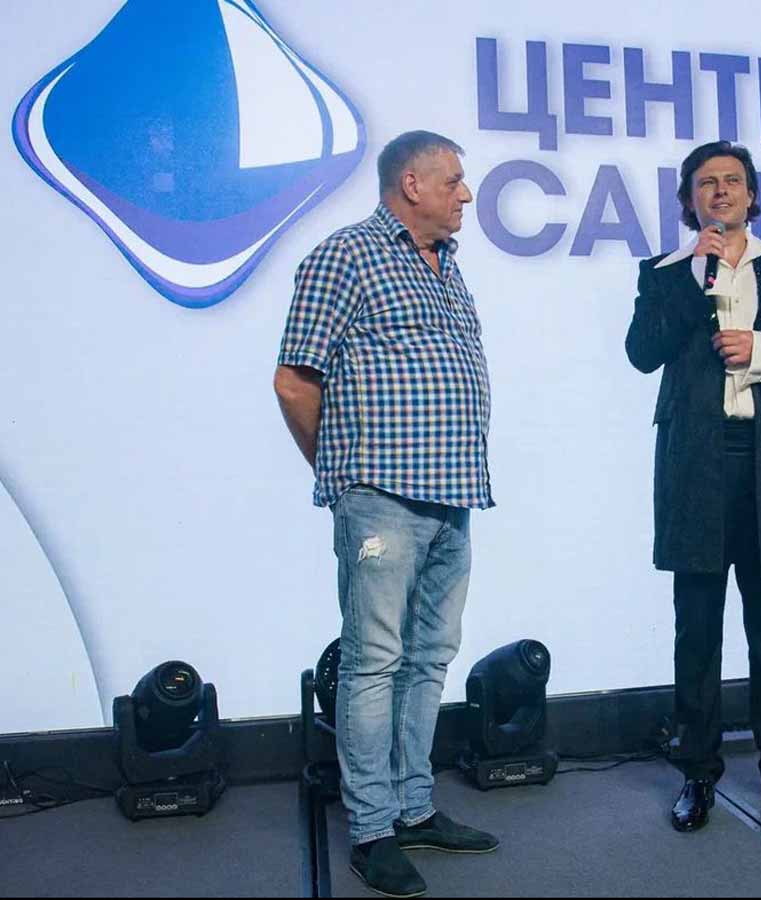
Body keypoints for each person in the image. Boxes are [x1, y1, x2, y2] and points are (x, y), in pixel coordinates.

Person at [274, 131, 497, 898]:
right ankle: (371, 830)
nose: (466, 194)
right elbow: (295, 381)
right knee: (373, 661)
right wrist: (344, 475)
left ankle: (413, 807)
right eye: (454, 181)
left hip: (453, 497)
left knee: (429, 658)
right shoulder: (347, 255)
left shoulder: (448, 267)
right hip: (381, 498)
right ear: (411, 184)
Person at [625, 140, 761, 832]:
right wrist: (697, 279)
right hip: (695, 463)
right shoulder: (664, 274)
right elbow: (641, 353)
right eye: (706, 183)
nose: (720, 191)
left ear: (751, 196)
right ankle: (697, 774)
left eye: (732, 181)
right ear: (689, 201)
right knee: (697, 630)